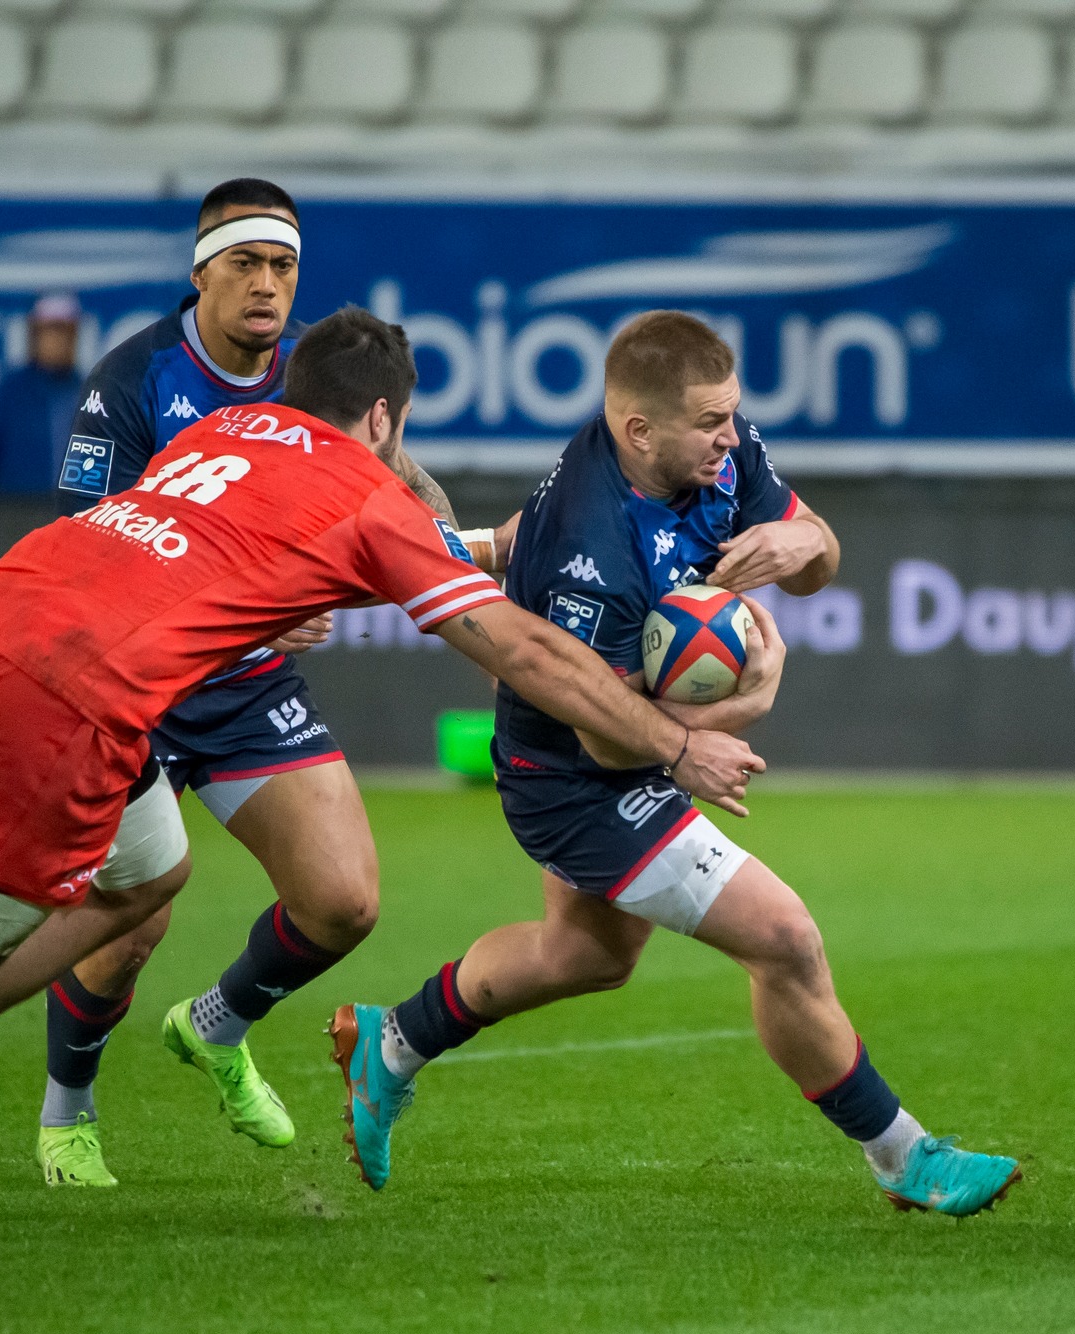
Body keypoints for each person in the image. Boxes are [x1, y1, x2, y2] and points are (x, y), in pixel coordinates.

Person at [0, 311, 760, 1147]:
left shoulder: (223, 431)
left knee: (147, 878)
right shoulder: (365, 496)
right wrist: (679, 746)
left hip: (2, 615)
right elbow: (522, 647)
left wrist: (485, 551)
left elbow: (224, 552)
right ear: (384, 416)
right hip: (54, 688)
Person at [327, 311, 1021, 1218]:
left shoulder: (713, 449)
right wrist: (744, 704)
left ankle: (391, 1042)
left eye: (732, 415)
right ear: (639, 430)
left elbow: (816, 553)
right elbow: (605, 737)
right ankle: (903, 1156)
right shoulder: (590, 549)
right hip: (569, 779)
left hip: (616, 750)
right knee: (784, 938)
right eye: (710, 422)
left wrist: (808, 542)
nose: (731, 436)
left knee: (584, 953)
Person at [0, 180, 510, 1186]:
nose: (267, 285)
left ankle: (215, 1023)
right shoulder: (133, 377)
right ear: (201, 273)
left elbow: (402, 492)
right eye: (245, 264)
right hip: (131, 678)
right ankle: (65, 1113)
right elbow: (90, 546)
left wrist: (456, 570)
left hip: (246, 683)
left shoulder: (319, 373)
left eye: (283, 266)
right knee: (133, 917)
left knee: (342, 899)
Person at [0, 292, 82, 496]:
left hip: (74, 512)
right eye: (48, 331)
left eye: (64, 331)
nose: (57, 340)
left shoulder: (87, 393)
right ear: (33, 335)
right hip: (15, 510)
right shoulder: (6, 394)